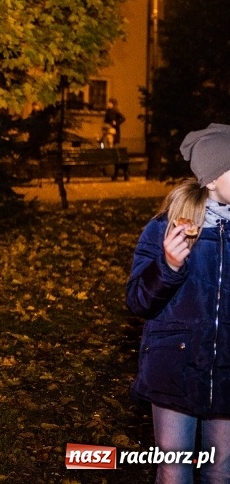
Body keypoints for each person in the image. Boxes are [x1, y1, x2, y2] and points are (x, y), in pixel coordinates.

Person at [127, 123, 230, 483]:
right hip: (174, 366)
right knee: (174, 469)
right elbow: (139, 301)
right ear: (213, 178)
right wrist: (168, 267)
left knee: (222, 471)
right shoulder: (165, 227)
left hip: (227, 370)